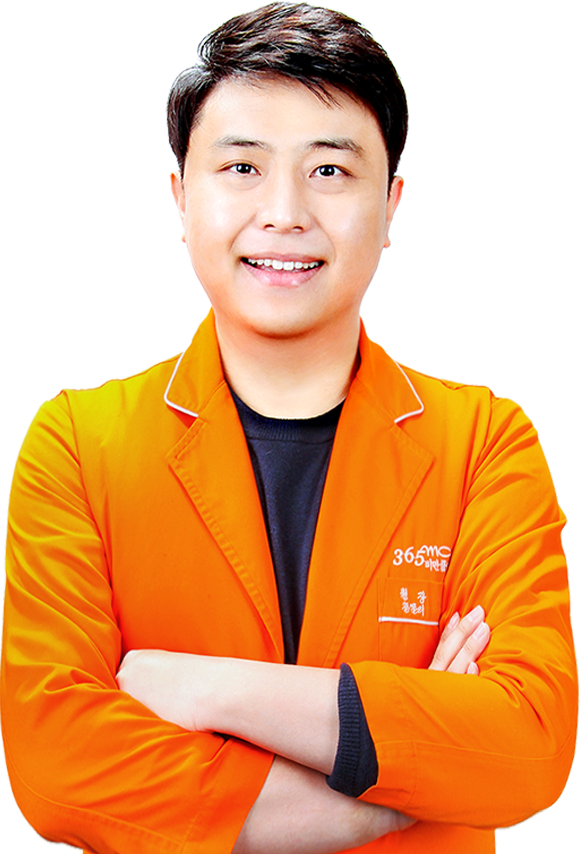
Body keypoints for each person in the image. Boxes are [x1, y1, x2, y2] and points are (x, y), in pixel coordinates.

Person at [0, 4, 578, 854]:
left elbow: (526, 747)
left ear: (390, 205)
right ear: (181, 198)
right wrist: (405, 783)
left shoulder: (482, 443)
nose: (283, 211)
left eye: (330, 171)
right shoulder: (80, 445)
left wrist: (207, 690)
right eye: (241, 166)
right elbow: (57, 767)